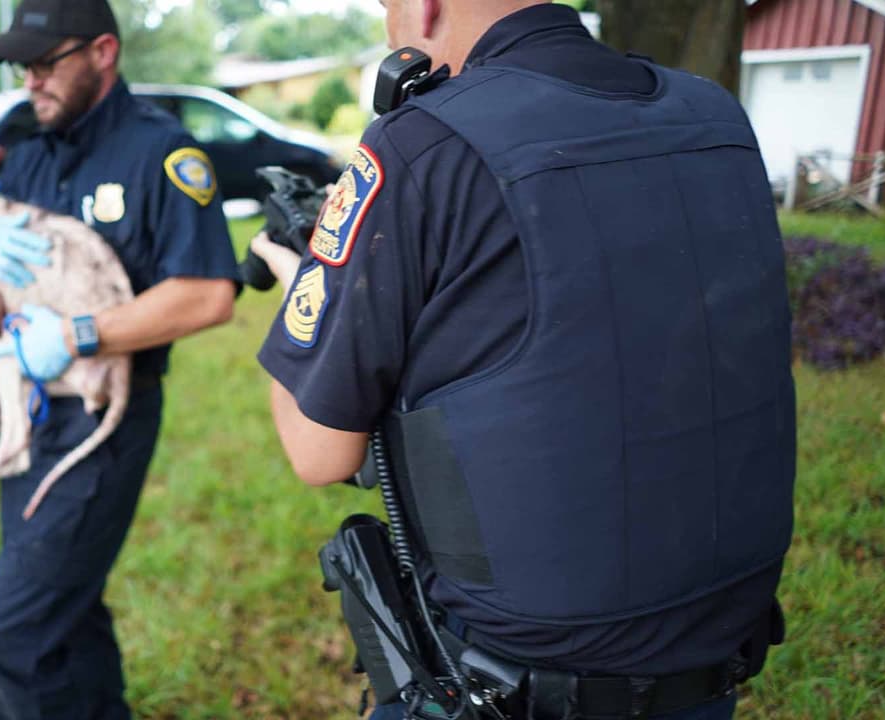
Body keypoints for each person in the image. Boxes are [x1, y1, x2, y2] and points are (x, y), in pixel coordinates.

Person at [252, 1, 795, 718]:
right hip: (713, 663)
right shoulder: (716, 115)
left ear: (424, 6)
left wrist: (307, 295)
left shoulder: (420, 142)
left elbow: (318, 450)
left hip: (510, 686)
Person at [0, 0, 239, 716]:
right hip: (31, 420)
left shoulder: (161, 153)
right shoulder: (24, 153)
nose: (30, 81)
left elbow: (207, 295)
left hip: (102, 419)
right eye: (23, 67)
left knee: (7, 640)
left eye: (46, 63)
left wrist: (78, 334)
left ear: (104, 52)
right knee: (68, 608)